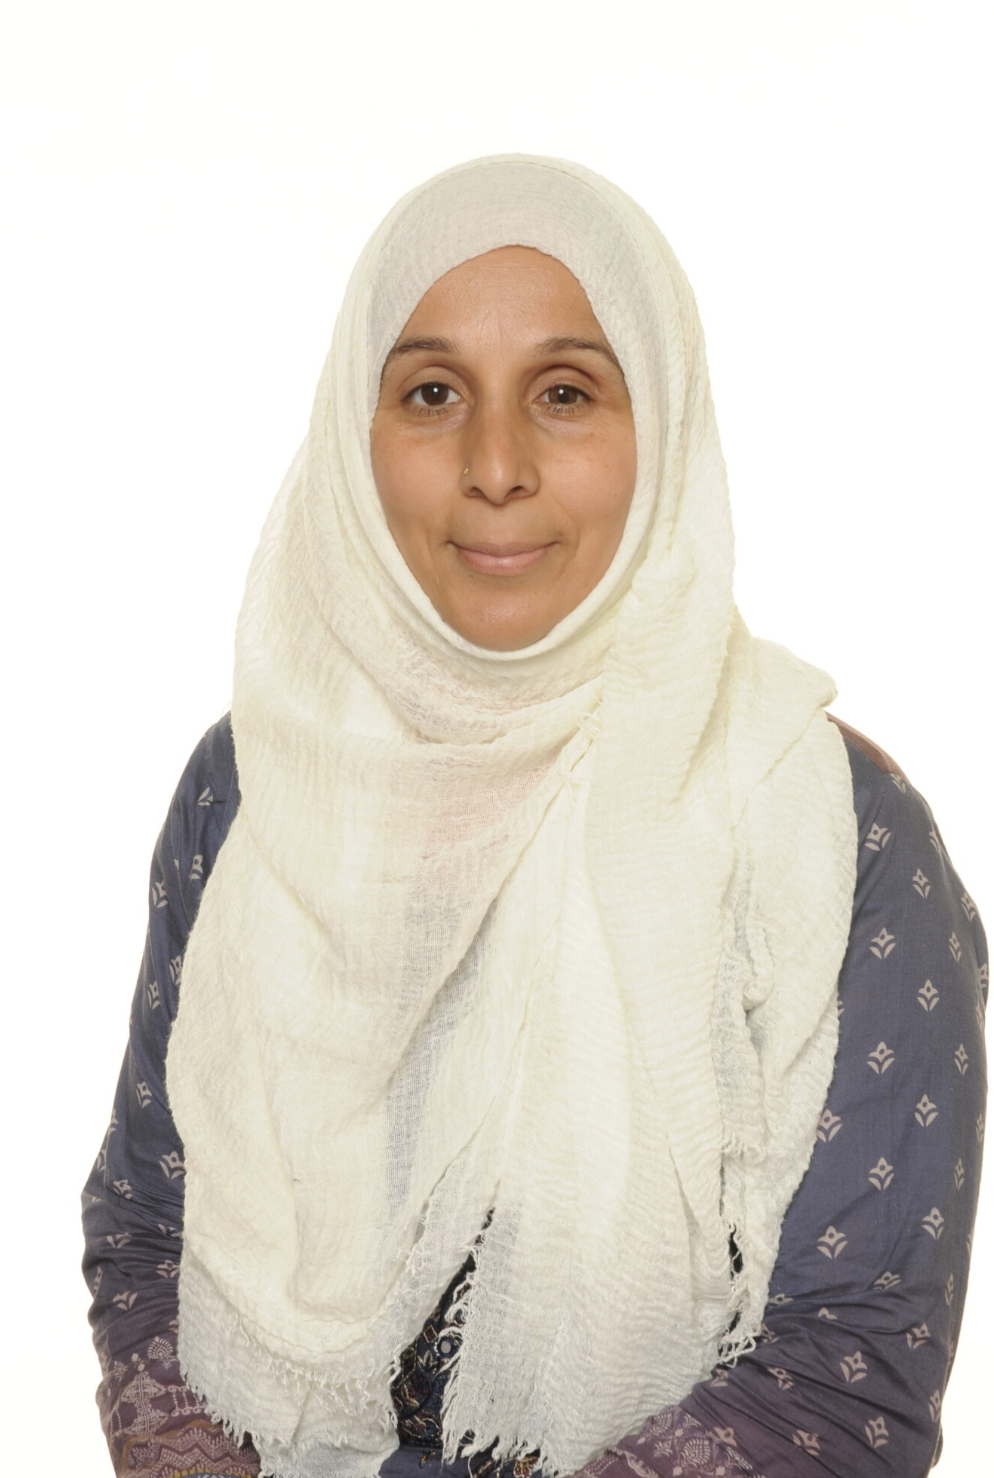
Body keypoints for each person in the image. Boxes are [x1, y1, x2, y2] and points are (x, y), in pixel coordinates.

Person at [82, 155, 987, 1478]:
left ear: (660, 425)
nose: (494, 466)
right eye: (431, 393)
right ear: (353, 432)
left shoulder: (834, 835)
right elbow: (147, 1229)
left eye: (565, 393)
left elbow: (847, 1379)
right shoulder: (257, 780)